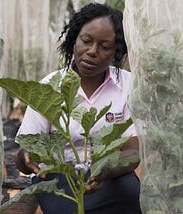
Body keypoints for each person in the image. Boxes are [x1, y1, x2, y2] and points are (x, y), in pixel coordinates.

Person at [15, 3, 141, 214]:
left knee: (131, 195)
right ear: (74, 40)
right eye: (86, 41)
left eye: (105, 46)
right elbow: (23, 155)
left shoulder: (128, 85)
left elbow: (132, 151)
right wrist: (27, 158)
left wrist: (102, 172)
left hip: (109, 175)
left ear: (115, 53)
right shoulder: (50, 86)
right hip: (59, 176)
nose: (92, 51)